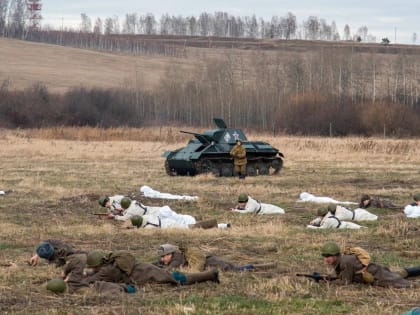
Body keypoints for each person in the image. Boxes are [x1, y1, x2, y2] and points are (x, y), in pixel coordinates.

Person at [84, 250, 220, 286]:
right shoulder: (112, 262)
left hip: (145, 274)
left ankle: (210, 275)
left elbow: (92, 280)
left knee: (177, 278)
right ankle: (210, 275)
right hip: (144, 268)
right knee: (174, 277)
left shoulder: (107, 270)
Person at [320, 241, 420, 288]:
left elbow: (345, 282)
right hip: (377, 271)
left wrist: (329, 282)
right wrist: (327, 277)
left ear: (336, 255)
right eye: (325, 256)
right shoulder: (340, 260)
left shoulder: (346, 262)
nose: (326, 259)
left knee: (407, 285)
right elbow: (341, 275)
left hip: (378, 276)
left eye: (328, 256)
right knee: (400, 273)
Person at [155, 244, 276, 272]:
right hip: (211, 261)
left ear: (170, 254)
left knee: (238, 270)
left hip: (213, 263)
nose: (163, 259)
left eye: (164, 256)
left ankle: (267, 266)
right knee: (237, 268)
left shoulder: (176, 258)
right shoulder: (176, 256)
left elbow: (169, 269)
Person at [129, 215, 230, 229]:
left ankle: (220, 225)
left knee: (194, 227)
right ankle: (223, 225)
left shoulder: (147, 227)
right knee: (194, 226)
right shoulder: (147, 217)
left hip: (173, 226)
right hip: (168, 221)